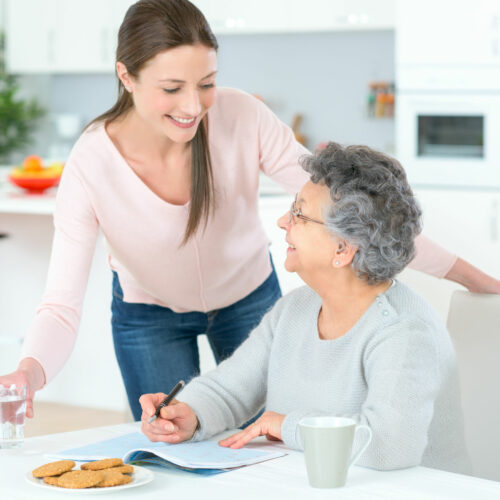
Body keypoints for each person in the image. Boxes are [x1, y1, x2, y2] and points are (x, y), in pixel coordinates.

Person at [0, 0, 498, 422]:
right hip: (146, 316)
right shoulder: (91, 162)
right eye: (172, 88)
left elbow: (358, 213)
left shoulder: (242, 117)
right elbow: (61, 304)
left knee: (269, 440)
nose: (193, 106)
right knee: (168, 442)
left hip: (248, 304)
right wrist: (30, 372)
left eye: (207, 83)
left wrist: (478, 280)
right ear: (125, 77)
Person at [139, 143, 470, 474]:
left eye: (299, 213)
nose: (284, 221)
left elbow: (388, 445)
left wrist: (286, 427)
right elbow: (230, 389)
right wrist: (189, 414)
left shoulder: (405, 330)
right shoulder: (295, 309)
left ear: (342, 249)